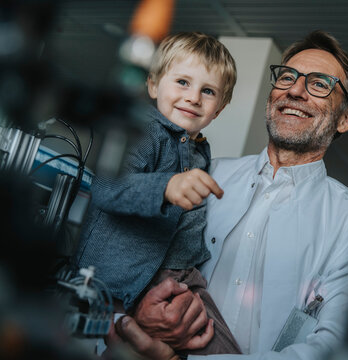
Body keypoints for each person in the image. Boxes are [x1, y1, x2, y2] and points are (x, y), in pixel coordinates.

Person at [112, 30, 348, 360]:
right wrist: (135, 311)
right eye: (287, 77)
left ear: (345, 118)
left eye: (319, 84)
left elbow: (331, 345)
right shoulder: (202, 174)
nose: (295, 89)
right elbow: (134, 250)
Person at [74, 32, 242, 355]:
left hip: (181, 276)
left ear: (218, 109)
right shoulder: (145, 132)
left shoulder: (200, 151)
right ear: (153, 85)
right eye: (182, 82)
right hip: (126, 278)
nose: (193, 97)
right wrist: (166, 186)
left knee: (223, 350)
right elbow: (108, 188)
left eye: (207, 91)